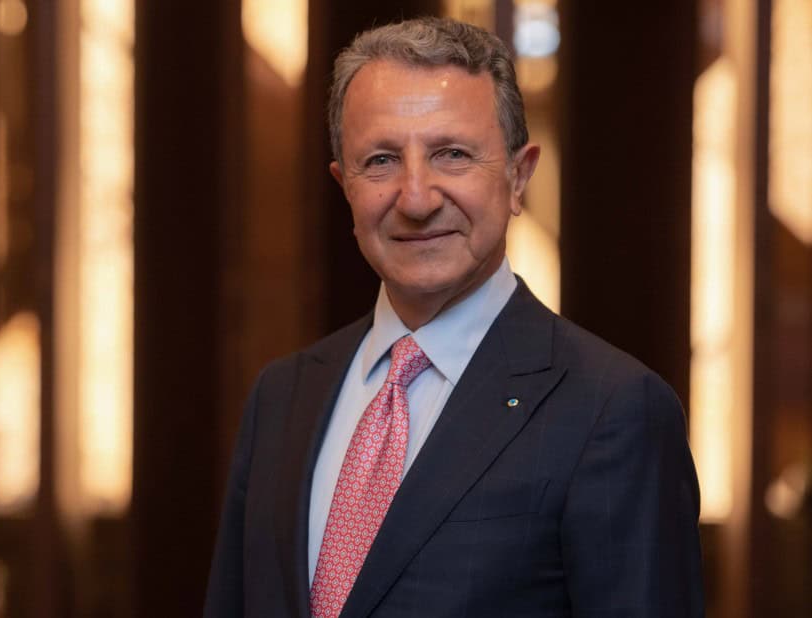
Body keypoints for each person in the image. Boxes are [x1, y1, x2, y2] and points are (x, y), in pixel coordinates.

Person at [205, 16, 704, 618]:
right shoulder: (282, 397)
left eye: (453, 155)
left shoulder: (613, 410)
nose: (416, 198)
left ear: (518, 177)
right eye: (381, 160)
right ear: (344, 186)